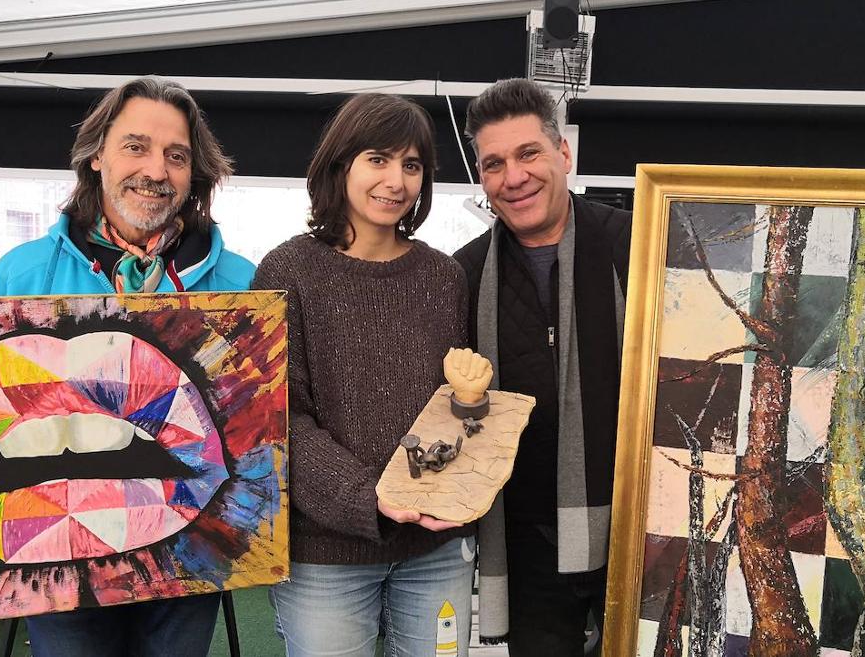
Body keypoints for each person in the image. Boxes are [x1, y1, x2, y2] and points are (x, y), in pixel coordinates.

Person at [0, 76, 255, 657]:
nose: (156, 170)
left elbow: (252, 428)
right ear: (97, 156)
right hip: (53, 543)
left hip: (189, 540)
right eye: (136, 146)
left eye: (176, 156)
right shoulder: (21, 275)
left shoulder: (243, 286)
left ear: (195, 175)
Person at [251, 93, 476, 657]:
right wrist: (368, 495)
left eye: (412, 164)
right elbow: (279, 415)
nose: (395, 180)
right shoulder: (286, 271)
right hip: (325, 555)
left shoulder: (444, 277)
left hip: (436, 546)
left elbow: (456, 406)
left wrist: (471, 409)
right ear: (341, 163)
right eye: (378, 159)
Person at [453, 78, 631, 656]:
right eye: (494, 163)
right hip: (526, 538)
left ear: (564, 153)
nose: (513, 177)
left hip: (635, 528)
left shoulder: (638, 243)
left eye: (528, 153)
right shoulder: (465, 273)